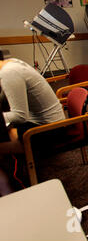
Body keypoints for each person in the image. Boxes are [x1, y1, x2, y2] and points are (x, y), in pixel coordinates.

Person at [0, 50, 65, 190]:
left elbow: (19, 116)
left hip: (50, 130)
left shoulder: (9, 73)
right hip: (45, 123)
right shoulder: (11, 64)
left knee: (3, 141)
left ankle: (19, 187)